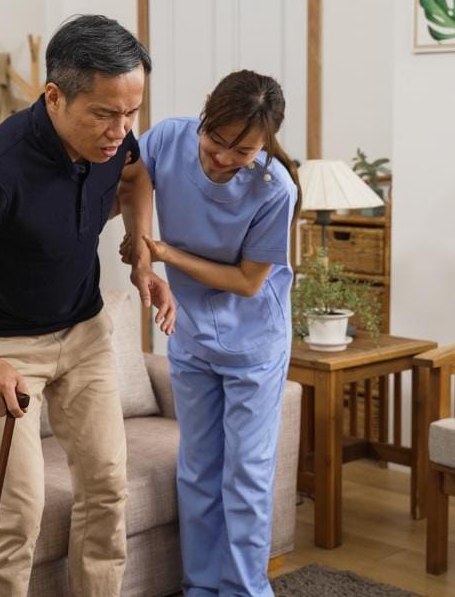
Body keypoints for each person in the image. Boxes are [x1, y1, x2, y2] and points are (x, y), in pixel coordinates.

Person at [0, 15, 174, 597]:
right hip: (6, 346)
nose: (120, 129)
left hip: (85, 332)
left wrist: (141, 249)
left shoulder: (115, 136)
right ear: (54, 95)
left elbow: (135, 174)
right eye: (105, 113)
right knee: (17, 512)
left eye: (132, 112)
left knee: (107, 487)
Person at [119, 69, 301, 597]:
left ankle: (244, 590)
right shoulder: (167, 139)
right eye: (215, 140)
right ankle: (199, 587)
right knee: (198, 470)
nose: (222, 158)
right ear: (204, 113)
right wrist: (139, 245)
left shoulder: (275, 190)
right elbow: (132, 182)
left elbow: (247, 281)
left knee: (245, 475)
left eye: (241, 151)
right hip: (191, 334)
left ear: (264, 143)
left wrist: (163, 251)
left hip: (254, 342)